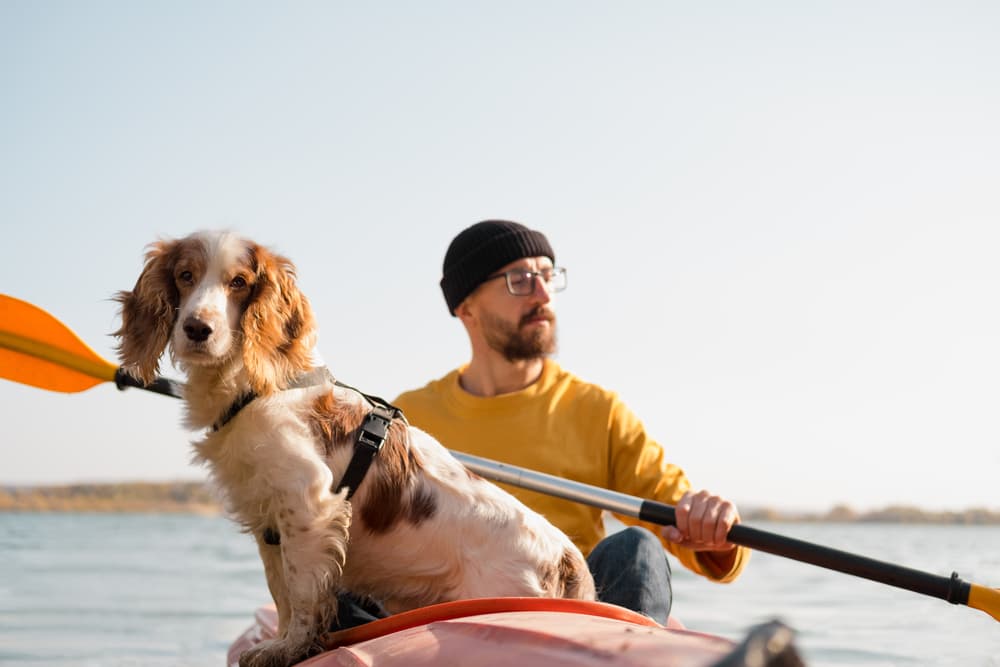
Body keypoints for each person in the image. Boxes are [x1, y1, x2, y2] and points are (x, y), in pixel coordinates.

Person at [392, 220, 750, 624]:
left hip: (572, 618)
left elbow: (679, 518)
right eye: (520, 280)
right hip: (449, 620)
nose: (543, 294)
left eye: (547, 276)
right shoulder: (407, 420)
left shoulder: (598, 411)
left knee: (637, 547)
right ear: (466, 306)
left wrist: (710, 524)